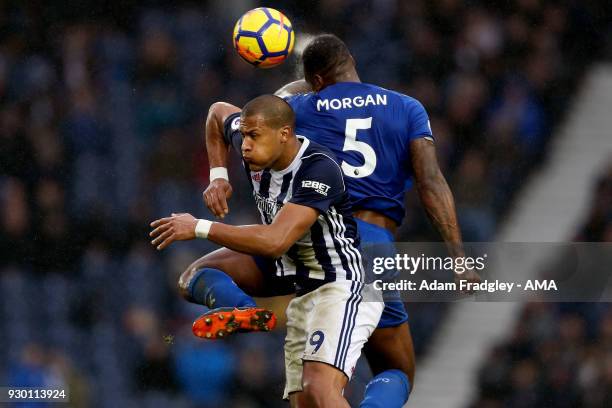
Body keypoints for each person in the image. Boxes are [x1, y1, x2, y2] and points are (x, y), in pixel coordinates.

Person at [198, 34, 481, 408]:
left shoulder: (298, 107)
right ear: (351, 63)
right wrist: (458, 257)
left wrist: (219, 176)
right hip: (369, 247)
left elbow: (223, 114)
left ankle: (240, 308)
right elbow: (431, 183)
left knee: (200, 274)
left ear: (316, 80)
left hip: (302, 236)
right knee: (393, 373)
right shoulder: (407, 108)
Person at [150, 94, 383, 407]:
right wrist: (218, 176)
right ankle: (244, 310)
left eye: (253, 137)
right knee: (193, 277)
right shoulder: (255, 145)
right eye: (243, 135)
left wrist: (199, 227)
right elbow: (217, 112)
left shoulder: (317, 169)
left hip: (339, 284)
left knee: (320, 389)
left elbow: (276, 240)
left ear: (284, 134)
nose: (244, 145)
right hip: (293, 276)